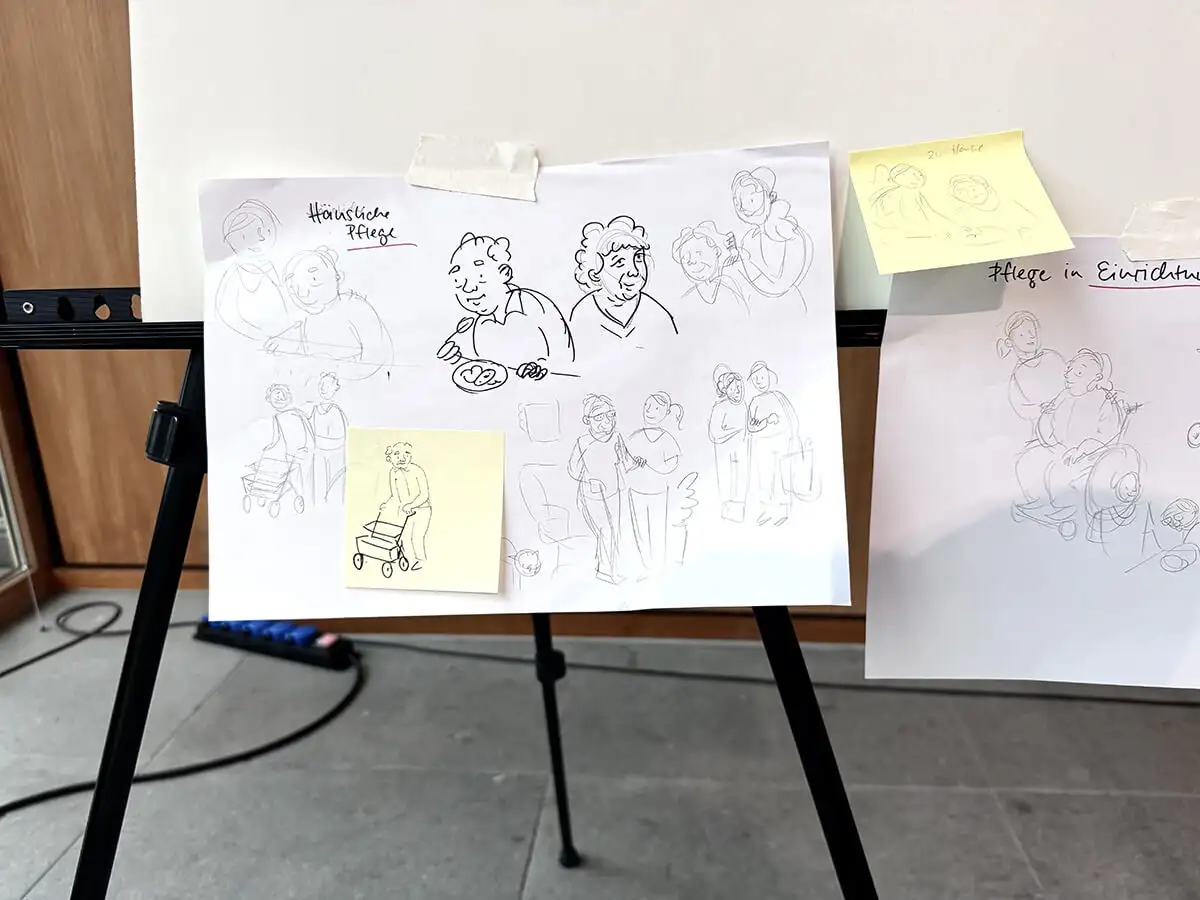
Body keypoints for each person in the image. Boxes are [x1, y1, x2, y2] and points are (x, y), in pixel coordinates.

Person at [437, 233, 574, 377]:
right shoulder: (480, 323)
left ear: (504, 273)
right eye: (459, 283)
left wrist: (542, 367)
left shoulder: (530, 304)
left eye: (480, 279)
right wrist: (457, 355)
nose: (469, 289)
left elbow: (563, 350)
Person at [1015, 349, 1124, 516]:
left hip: (1088, 456)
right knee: (1026, 460)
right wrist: (1051, 438)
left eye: (1078, 373)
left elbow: (1107, 434)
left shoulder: (1104, 401)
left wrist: (1082, 450)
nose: (1069, 376)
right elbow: (1047, 425)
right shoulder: (1063, 396)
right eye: (1069, 370)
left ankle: (1062, 509)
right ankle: (1036, 501)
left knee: (1057, 472)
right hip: (1059, 448)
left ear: (1096, 378)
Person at [268, 247, 393, 377]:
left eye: (314, 278)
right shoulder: (309, 320)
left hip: (360, 379)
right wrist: (285, 340)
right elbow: (299, 335)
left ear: (338, 277)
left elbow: (376, 354)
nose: (302, 292)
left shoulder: (353, 306)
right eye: (294, 287)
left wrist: (338, 370)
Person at [569, 216, 678, 360]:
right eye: (619, 262)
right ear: (595, 274)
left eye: (638, 258)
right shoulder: (583, 313)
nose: (634, 271)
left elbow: (674, 359)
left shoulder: (657, 313)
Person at [566, 394, 645, 584]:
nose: (606, 421)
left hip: (614, 491)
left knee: (615, 531)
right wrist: (589, 480)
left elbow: (626, 460)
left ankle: (610, 570)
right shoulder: (583, 442)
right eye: (599, 417)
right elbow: (573, 469)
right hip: (592, 495)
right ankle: (606, 571)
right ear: (587, 420)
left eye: (610, 415)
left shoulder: (616, 436)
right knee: (605, 532)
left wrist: (637, 462)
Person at [729, 168, 814, 307]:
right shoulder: (749, 238)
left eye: (751, 199)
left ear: (771, 197)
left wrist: (742, 261)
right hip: (757, 305)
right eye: (739, 203)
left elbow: (778, 286)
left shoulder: (787, 232)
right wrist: (735, 254)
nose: (744, 208)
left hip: (788, 305)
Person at [626, 392, 684, 572]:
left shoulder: (666, 438)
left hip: (658, 491)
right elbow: (624, 462)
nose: (650, 411)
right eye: (648, 406)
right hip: (636, 490)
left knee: (658, 527)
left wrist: (653, 464)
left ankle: (658, 565)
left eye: (657, 408)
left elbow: (673, 463)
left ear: (666, 413)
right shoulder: (634, 437)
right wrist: (634, 463)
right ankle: (646, 565)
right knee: (640, 529)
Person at [215, 199, 290, 340]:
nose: (260, 238)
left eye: (265, 231)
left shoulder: (276, 267)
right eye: (245, 236)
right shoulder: (235, 274)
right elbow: (225, 312)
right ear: (232, 240)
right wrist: (259, 336)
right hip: (253, 341)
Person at [996, 311, 1066, 442]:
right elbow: (1020, 407)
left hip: (1067, 418)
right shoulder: (1017, 374)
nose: (1031, 336)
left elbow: (1070, 382)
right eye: (1022, 334)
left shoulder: (1052, 358)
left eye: (1032, 331)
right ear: (1010, 342)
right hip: (1043, 431)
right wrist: (1040, 408)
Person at [746, 361, 801, 526]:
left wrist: (793, 437)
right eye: (756, 379)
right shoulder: (755, 402)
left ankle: (783, 511)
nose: (759, 382)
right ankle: (767, 511)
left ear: (769, 376)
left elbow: (792, 418)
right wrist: (766, 421)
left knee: (781, 478)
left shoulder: (779, 397)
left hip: (780, 444)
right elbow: (751, 426)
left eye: (762, 377)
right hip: (762, 446)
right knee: (764, 478)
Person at [671, 222, 748, 312]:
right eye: (685, 258)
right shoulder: (687, 298)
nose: (692, 261)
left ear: (716, 251)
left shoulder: (731, 282)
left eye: (699, 253)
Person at [379, 442, 431, 570]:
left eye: (406, 454)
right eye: (397, 454)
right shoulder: (393, 472)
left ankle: (421, 562)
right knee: (403, 537)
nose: (402, 458)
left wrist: (411, 505)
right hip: (404, 511)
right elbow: (395, 495)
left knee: (417, 537)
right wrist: (387, 504)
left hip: (422, 509)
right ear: (390, 458)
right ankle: (409, 561)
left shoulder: (417, 470)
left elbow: (424, 495)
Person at [259, 384, 313, 505]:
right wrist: (269, 447)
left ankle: (301, 498)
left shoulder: (297, 413)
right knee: (290, 477)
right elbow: (276, 438)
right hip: (289, 453)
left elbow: (306, 432)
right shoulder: (277, 417)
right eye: (275, 397)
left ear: (288, 397)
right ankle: (293, 497)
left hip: (303, 452)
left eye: (282, 396)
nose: (279, 399)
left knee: (301, 477)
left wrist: (305, 447)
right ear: (270, 400)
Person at [868, 163, 952, 238]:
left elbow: (930, 213)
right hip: (894, 232)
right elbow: (896, 220)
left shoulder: (916, 194)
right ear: (897, 178)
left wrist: (950, 225)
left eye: (920, 175)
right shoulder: (892, 196)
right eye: (912, 174)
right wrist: (926, 231)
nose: (918, 178)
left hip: (916, 227)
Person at [708, 365, 748, 521]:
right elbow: (715, 434)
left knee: (740, 483)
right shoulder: (720, 407)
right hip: (725, 454)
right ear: (725, 390)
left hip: (741, 453)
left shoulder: (743, 405)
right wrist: (735, 430)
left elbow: (746, 430)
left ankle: (738, 514)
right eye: (732, 388)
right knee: (727, 484)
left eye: (739, 387)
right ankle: (727, 514)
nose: (737, 391)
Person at [949, 174, 1038, 242]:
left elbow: (1032, 228)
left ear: (983, 185)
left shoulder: (1009, 204)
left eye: (973, 189)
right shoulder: (962, 214)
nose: (971, 195)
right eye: (962, 193)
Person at [309, 372, 348, 504]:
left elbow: (344, 433)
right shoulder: (315, 409)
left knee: (336, 481)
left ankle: (335, 506)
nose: (323, 388)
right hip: (319, 450)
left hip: (336, 451)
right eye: (321, 384)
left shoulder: (337, 411)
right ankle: (319, 506)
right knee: (319, 482)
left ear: (334, 389)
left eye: (327, 385)